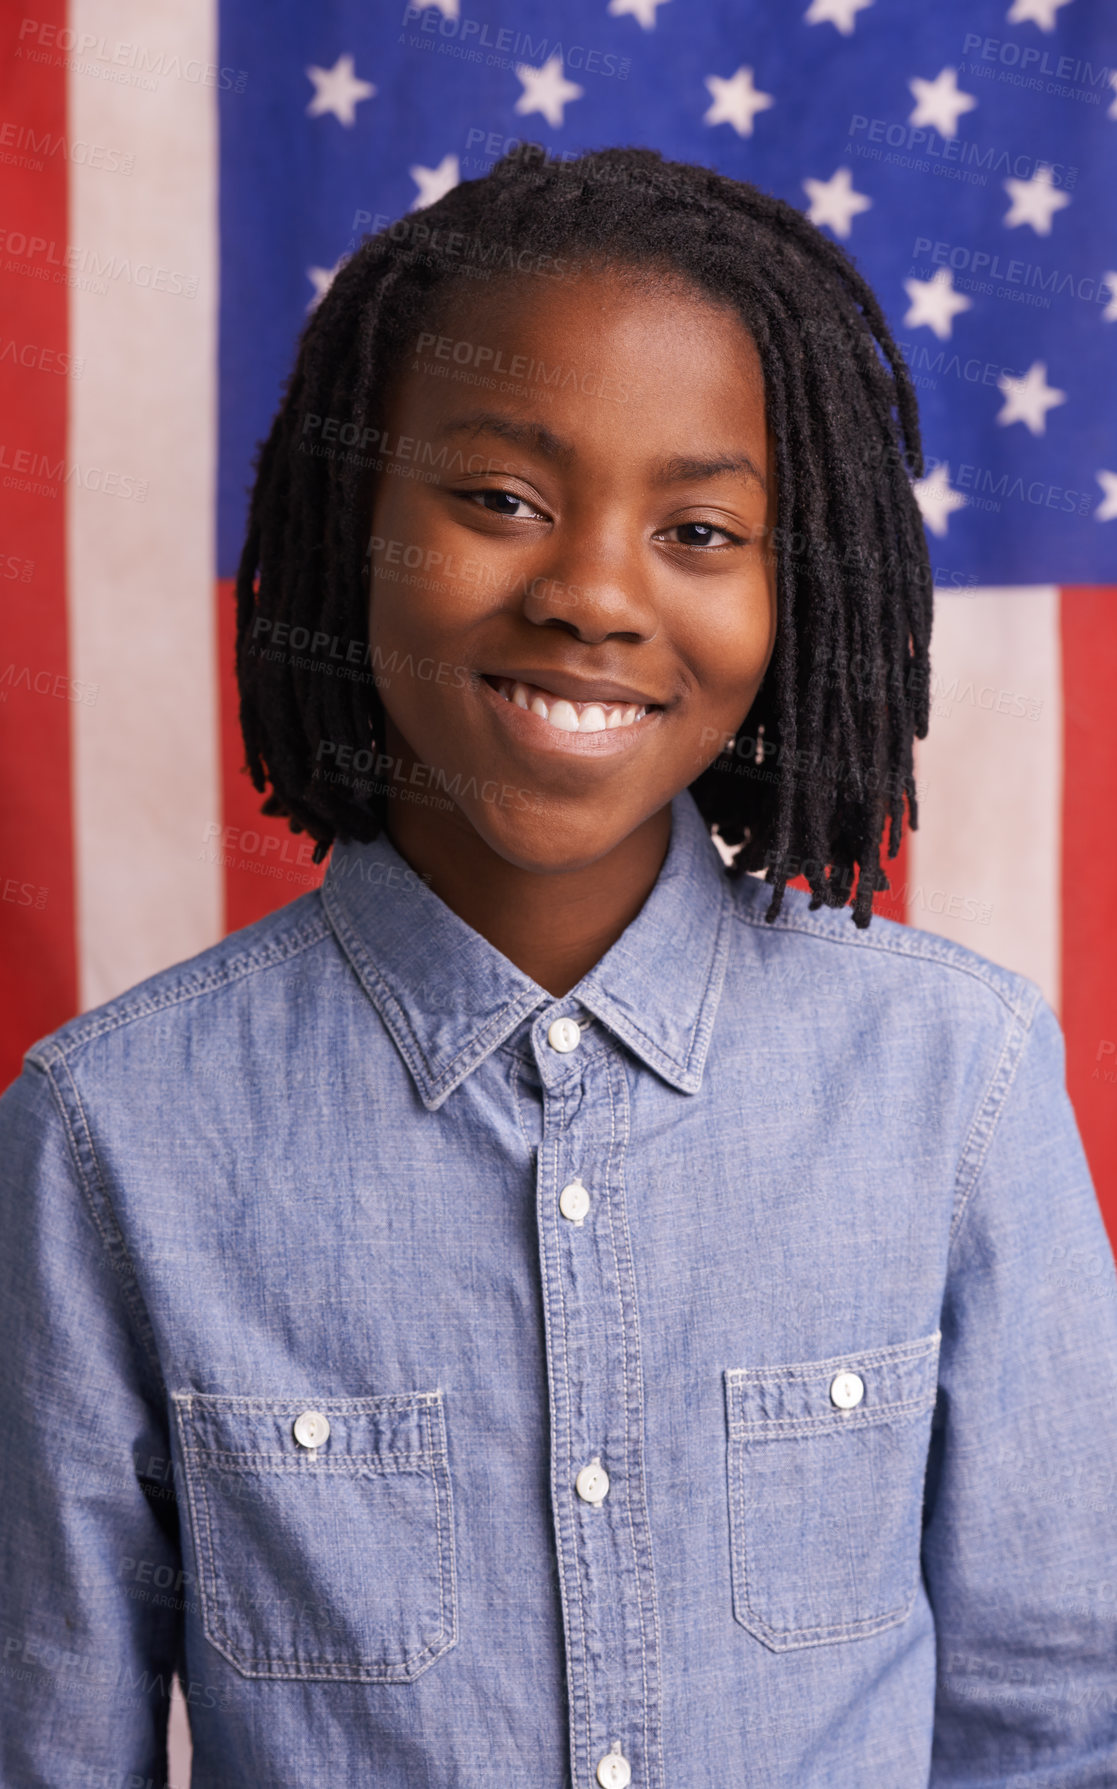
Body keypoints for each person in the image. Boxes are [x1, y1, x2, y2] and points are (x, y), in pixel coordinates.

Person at [1, 145, 1115, 1787]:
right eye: (500, 500)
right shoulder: (113, 1134)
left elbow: (1054, 1730)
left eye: (698, 527)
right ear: (345, 525)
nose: (593, 592)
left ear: (788, 587)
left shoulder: (959, 1081)